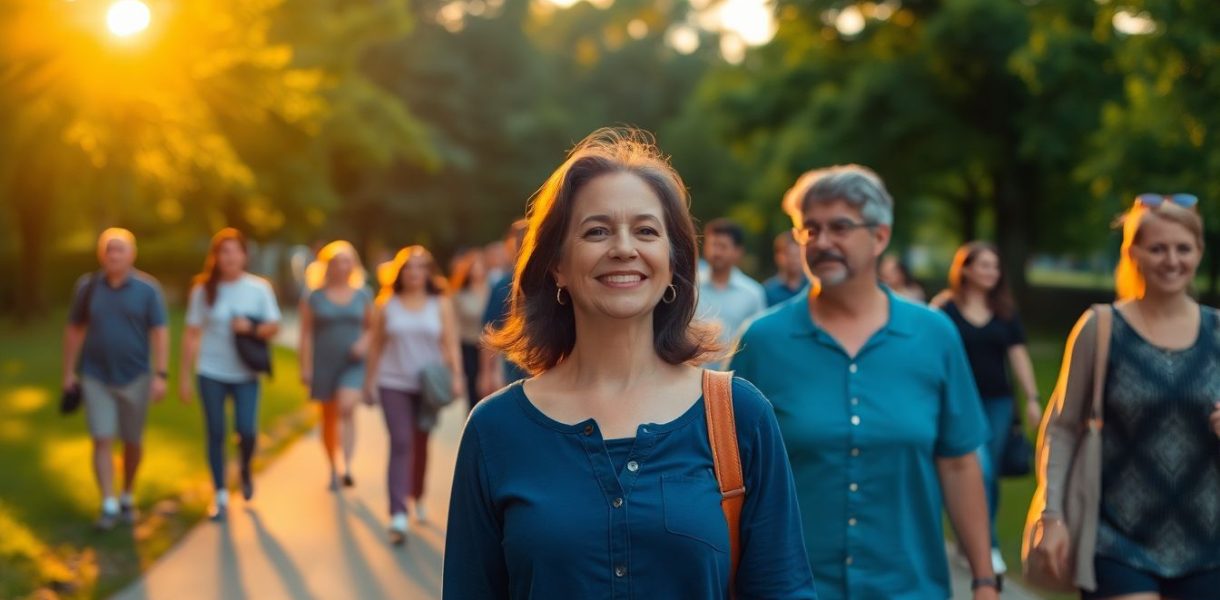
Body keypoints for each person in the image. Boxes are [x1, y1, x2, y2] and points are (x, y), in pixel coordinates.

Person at [443, 128, 815, 599]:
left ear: (674, 263)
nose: (623, 248)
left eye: (646, 230)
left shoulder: (737, 416)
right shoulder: (495, 429)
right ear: (556, 264)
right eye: (597, 231)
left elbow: (783, 589)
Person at [730, 164, 998, 600]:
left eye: (840, 227)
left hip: (910, 587)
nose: (822, 242)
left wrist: (985, 580)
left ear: (880, 236)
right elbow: (730, 476)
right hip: (793, 588)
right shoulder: (762, 341)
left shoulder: (933, 336)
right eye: (809, 229)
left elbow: (959, 463)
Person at [1029, 193, 1220, 600]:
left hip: (1210, 545)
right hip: (1117, 541)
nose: (1172, 260)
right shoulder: (1100, 328)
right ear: (1133, 252)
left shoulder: (1219, 333)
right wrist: (1052, 516)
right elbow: (1061, 429)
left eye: (1183, 248)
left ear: (1199, 252)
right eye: (1158, 248)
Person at [930, 241, 1042, 575]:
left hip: (997, 403)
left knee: (989, 474)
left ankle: (973, 543)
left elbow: (1018, 355)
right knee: (977, 470)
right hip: (959, 404)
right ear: (965, 269)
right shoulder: (943, 310)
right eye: (984, 265)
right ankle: (985, 545)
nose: (991, 272)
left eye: (995, 266)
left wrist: (1033, 398)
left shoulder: (1004, 310)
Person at [62, 228, 169, 530]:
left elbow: (160, 332)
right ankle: (108, 504)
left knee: (133, 443)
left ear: (131, 255)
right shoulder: (88, 287)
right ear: (102, 255)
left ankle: (127, 494)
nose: (114, 255)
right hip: (96, 375)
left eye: (120, 250)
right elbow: (74, 329)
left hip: (136, 376)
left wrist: (161, 373)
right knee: (101, 438)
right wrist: (68, 372)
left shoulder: (148, 290)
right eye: (109, 250)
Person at [179, 228, 281, 522]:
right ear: (215, 257)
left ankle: (246, 468)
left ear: (244, 255)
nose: (230, 257)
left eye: (235, 250)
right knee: (215, 432)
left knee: (247, 431)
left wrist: (249, 328)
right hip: (210, 371)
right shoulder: (203, 290)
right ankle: (221, 494)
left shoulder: (259, 288)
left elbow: (274, 327)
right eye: (223, 251)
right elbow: (191, 334)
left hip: (246, 373)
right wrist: (184, 376)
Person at [365, 246, 464, 545]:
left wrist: (457, 376)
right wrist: (369, 382)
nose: (414, 273)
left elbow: (450, 342)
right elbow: (376, 345)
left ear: (428, 273)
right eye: (409, 268)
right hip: (392, 383)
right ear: (400, 273)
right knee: (401, 442)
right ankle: (397, 513)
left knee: (421, 444)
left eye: (421, 268)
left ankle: (416, 495)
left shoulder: (440, 303)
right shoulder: (387, 304)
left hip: (428, 386)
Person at [298, 241, 374, 490]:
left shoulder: (363, 294)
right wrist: (305, 367)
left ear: (353, 265)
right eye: (337, 262)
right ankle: (332, 466)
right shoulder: (314, 296)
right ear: (327, 267)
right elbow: (306, 334)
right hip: (324, 363)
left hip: (353, 362)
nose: (343, 266)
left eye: (347, 261)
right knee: (328, 417)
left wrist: (364, 343)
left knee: (346, 407)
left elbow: (373, 328)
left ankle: (347, 466)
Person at [477, 219, 529, 399]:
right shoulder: (503, 285)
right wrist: (487, 373)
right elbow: (490, 329)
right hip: (515, 366)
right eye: (519, 242)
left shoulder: (557, 280)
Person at [696, 218, 767, 350]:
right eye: (712, 245)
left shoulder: (752, 293)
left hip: (735, 370)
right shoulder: (689, 287)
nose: (716, 252)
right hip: (691, 369)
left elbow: (758, 339)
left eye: (722, 246)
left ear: (738, 252)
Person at [450, 249, 491, 412]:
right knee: (473, 388)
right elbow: (454, 324)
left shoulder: (492, 290)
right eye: (474, 266)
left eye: (480, 266)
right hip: (468, 345)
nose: (478, 270)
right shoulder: (460, 294)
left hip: (489, 346)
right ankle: (473, 416)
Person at [763, 230, 806, 306]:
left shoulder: (813, 288)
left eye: (797, 255)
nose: (793, 260)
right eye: (789, 254)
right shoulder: (767, 291)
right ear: (777, 256)